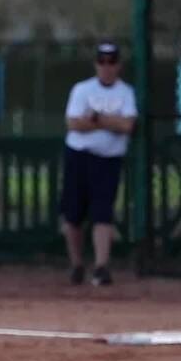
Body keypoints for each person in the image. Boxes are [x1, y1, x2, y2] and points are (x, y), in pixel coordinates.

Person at [60, 42, 137, 286]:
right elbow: (74, 124)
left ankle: (102, 266)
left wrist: (96, 118)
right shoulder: (82, 90)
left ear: (118, 65)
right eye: (102, 62)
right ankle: (76, 264)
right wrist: (110, 123)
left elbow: (128, 126)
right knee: (73, 214)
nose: (107, 67)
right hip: (79, 156)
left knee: (103, 212)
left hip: (108, 159)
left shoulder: (125, 92)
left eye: (111, 62)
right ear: (96, 64)